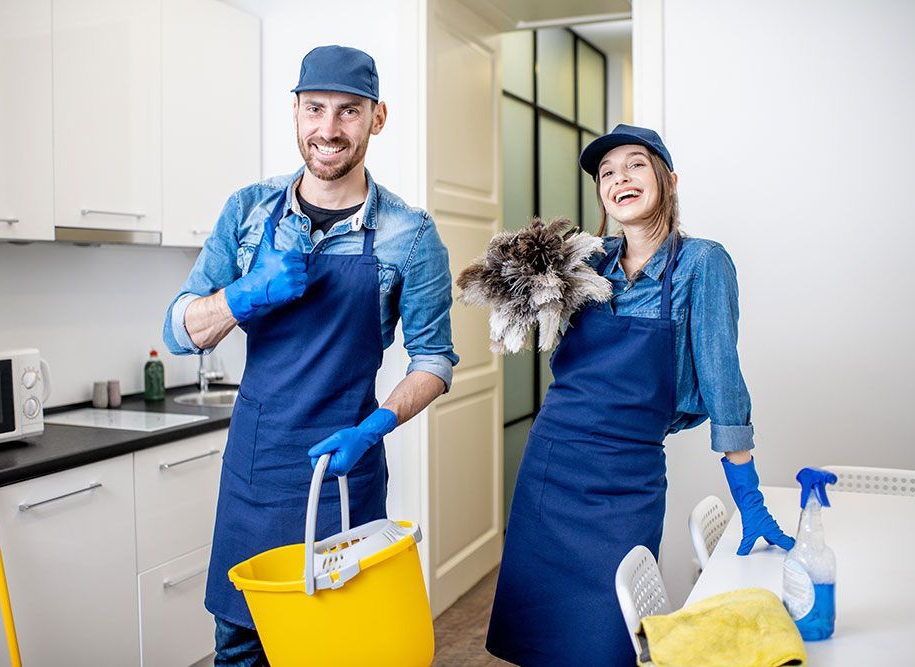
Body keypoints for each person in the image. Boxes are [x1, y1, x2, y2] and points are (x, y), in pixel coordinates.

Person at [162, 45, 457, 666]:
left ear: (378, 118)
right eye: (315, 109)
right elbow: (180, 331)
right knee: (242, 646)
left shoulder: (411, 233)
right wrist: (242, 295)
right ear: (295, 112)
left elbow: (434, 361)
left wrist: (376, 426)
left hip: (344, 480)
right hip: (255, 471)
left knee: (337, 649)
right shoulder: (248, 212)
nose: (328, 129)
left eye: (349, 112)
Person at [485, 124, 793, 666]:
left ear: (668, 180)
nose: (619, 179)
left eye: (635, 165)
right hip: (552, 464)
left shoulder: (702, 264)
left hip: (627, 477)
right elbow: (515, 305)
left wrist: (748, 496)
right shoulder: (582, 262)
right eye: (607, 173)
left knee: (608, 640)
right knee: (537, 636)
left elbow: (723, 378)